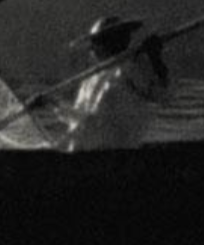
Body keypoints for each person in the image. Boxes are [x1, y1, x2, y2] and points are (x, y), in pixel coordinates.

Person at [62, 15, 170, 151]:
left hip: (117, 151)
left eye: (98, 43)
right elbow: (77, 118)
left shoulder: (133, 68)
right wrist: (49, 103)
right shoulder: (89, 79)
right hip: (84, 150)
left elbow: (162, 95)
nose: (92, 49)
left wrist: (155, 58)